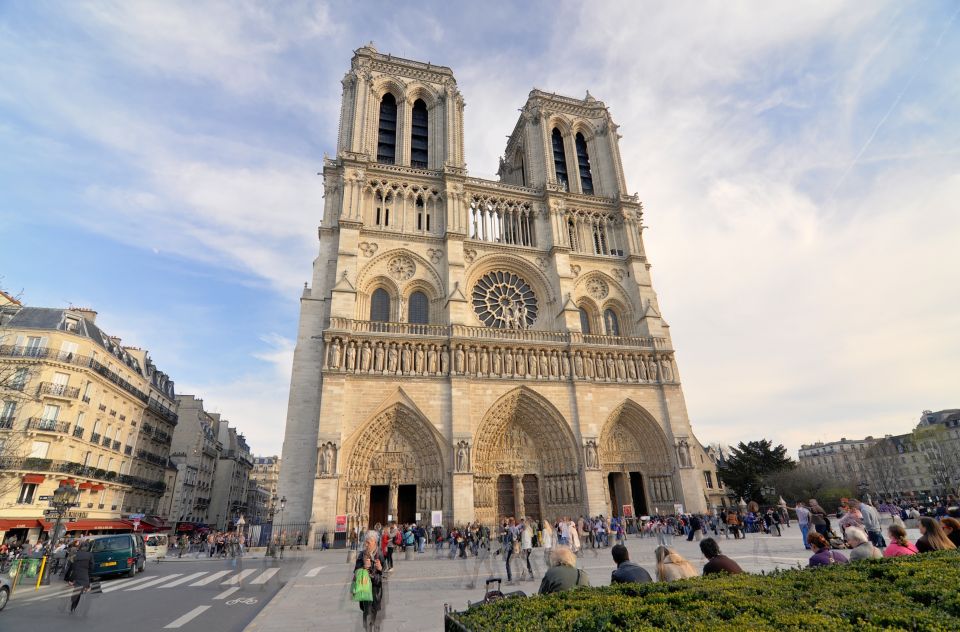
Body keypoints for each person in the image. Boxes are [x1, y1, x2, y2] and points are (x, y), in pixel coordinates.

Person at [355, 530, 385, 630]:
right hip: (365, 589)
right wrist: (364, 567)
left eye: (369, 542)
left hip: (376, 590)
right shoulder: (362, 555)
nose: (366, 544)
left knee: (375, 613)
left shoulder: (380, 554)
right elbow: (356, 571)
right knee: (367, 613)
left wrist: (380, 568)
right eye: (365, 542)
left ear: (375, 542)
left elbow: (383, 571)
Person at [68, 541, 95, 613]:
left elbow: (71, 566)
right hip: (85, 575)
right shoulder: (90, 555)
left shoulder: (76, 554)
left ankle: (73, 606)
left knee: (77, 591)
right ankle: (83, 608)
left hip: (76, 574)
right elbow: (92, 567)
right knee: (84, 590)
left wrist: (71, 578)